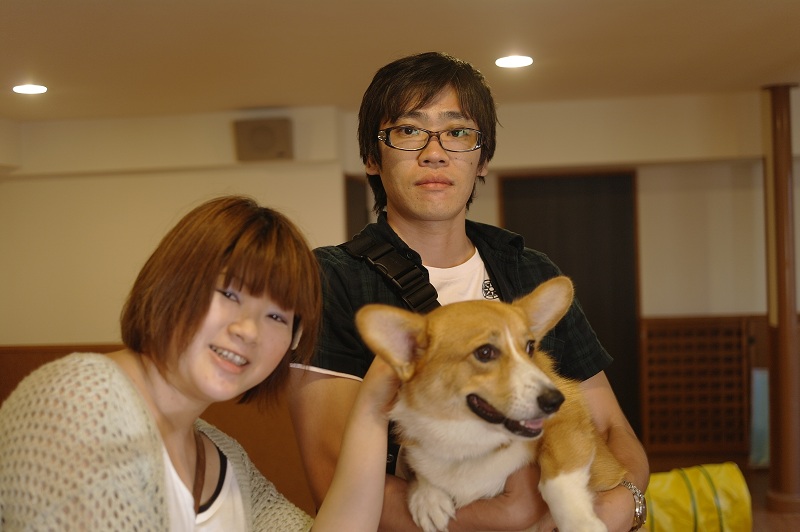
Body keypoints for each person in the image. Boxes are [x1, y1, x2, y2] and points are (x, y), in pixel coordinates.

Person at [288, 52, 650, 531]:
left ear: (482, 159)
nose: (435, 152)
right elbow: (334, 475)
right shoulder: (332, 279)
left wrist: (623, 507)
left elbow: (609, 427)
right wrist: (511, 517)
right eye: (409, 130)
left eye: (458, 132)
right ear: (373, 158)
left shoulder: (528, 271)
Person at [0, 195, 398, 531]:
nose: (249, 330)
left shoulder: (219, 454)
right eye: (229, 294)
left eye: (278, 316)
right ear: (172, 282)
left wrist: (373, 405)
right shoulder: (79, 401)